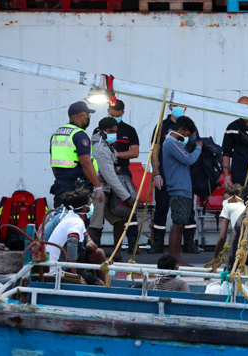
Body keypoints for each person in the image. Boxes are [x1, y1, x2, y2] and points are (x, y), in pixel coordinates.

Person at [149, 104, 199, 255]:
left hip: (182, 184)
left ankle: (185, 248)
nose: (189, 137)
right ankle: (170, 254)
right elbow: (188, 159)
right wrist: (156, 173)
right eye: (188, 134)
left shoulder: (179, 137)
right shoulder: (168, 137)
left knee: (183, 221)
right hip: (174, 184)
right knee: (172, 220)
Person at [86, 117, 138, 262]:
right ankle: (91, 259)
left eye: (115, 131)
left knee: (118, 221)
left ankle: (117, 254)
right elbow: (110, 177)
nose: (114, 134)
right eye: (111, 131)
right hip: (98, 191)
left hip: (106, 190)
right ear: (102, 131)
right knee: (94, 226)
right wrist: (127, 197)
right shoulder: (100, 148)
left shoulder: (106, 145)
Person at [162, 116, 203, 266]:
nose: (186, 138)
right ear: (180, 130)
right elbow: (189, 159)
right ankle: (175, 259)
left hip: (183, 188)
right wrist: (199, 146)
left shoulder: (174, 143)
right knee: (177, 224)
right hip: (178, 188)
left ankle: (177, 258)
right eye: (186, 135)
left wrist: (192, 137)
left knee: (180, 225)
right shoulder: (171, 143)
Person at [45, 188, 107, 285]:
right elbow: (72, 244)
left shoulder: (73, 216)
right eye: (90, 204)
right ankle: (102, 289)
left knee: (99, 253)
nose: (92, 207)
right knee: (99, 284)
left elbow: (84, 233)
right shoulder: (75, 222)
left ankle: (105, 286)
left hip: (65, 262)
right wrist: (74, 275)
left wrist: (89, 242)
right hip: (59, 266)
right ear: (84, 208)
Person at [50, 101, 104, 207]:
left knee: (62, 219)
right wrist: (98, 187)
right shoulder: (80, 135)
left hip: (60, 186)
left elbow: (53, 163)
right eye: (87, 116)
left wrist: (61, 180)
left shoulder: (56, 134)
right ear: (80, 116)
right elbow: (86, 163)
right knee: (79, 220)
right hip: (77, 189)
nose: (88, 119)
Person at [211, 184, 245, 271]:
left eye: (226, 200)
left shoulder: (228, 206)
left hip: (240, 242)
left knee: (229, 271)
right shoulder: (247, 206)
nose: (225, 202)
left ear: (233, 197)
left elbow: (222, 236)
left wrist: (216, 256)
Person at [107, 99, 140, 179]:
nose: (114, 118)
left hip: (122, 171)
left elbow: (135, 152)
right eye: (112, 116)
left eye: (117, 116)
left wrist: (116, 154)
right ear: (108, 111)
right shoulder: (100, 130)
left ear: (123, 112)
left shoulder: (129, 130)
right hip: (105, 170)